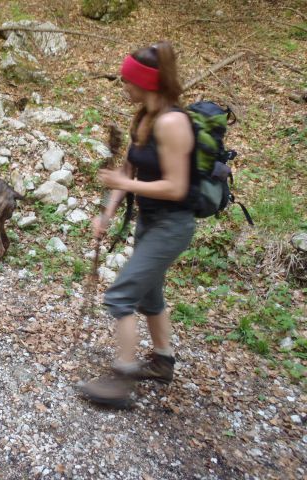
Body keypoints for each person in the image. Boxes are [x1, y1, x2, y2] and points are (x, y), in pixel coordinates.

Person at [79, 41, 196, 408]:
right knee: (149, 295)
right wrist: (107, 213)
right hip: (149, 221)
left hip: (172, 225)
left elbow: (176, 187)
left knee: (120, 296)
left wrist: (124, 185)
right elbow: (129, 169)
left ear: (147, 84)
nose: (124, 87)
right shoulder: (144, 116)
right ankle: (163, 362)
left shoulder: (173, 123)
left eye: (128, 81)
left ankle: (122, 377)